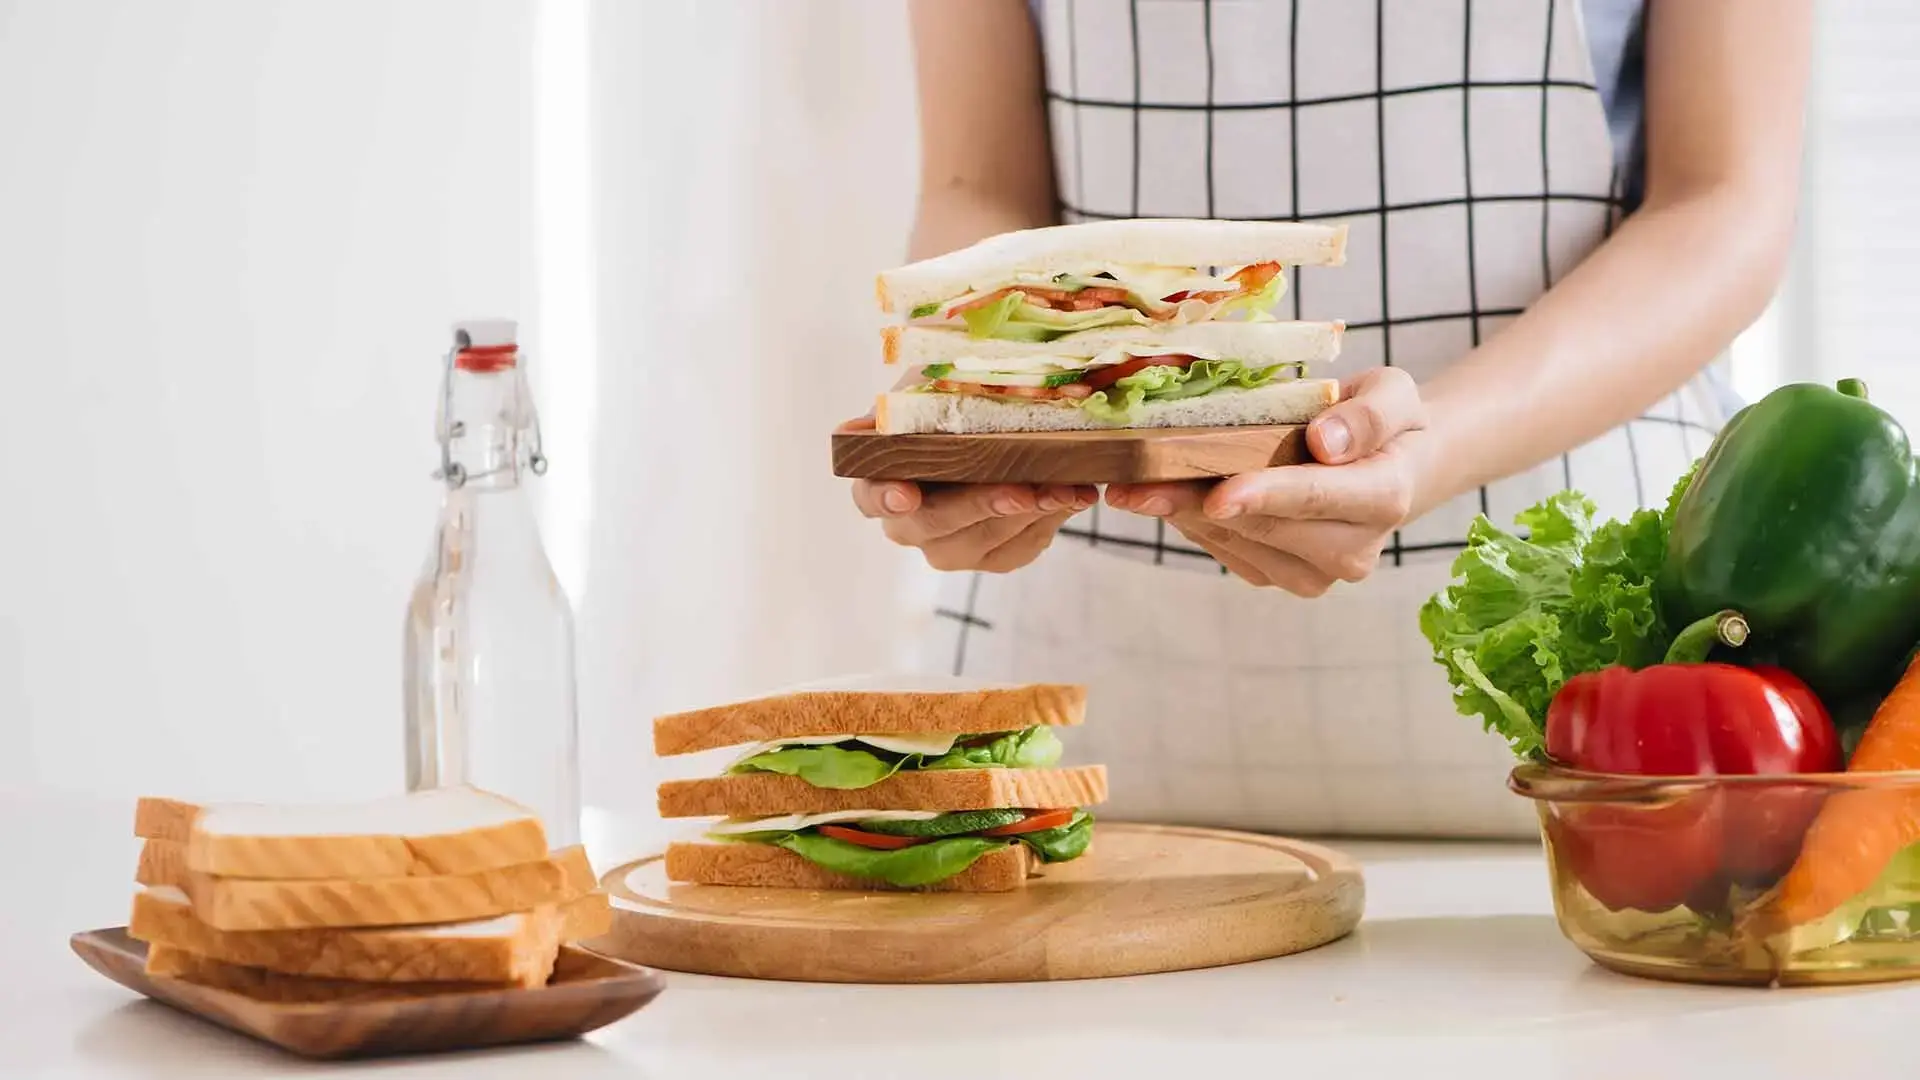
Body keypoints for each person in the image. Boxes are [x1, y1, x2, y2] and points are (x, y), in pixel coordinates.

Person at [844, 0, 1811, 838]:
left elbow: (1723, 199)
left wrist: (1436, 442)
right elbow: (981, 185)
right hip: (1087, 665)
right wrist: (973, 402)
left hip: (1595, 723)